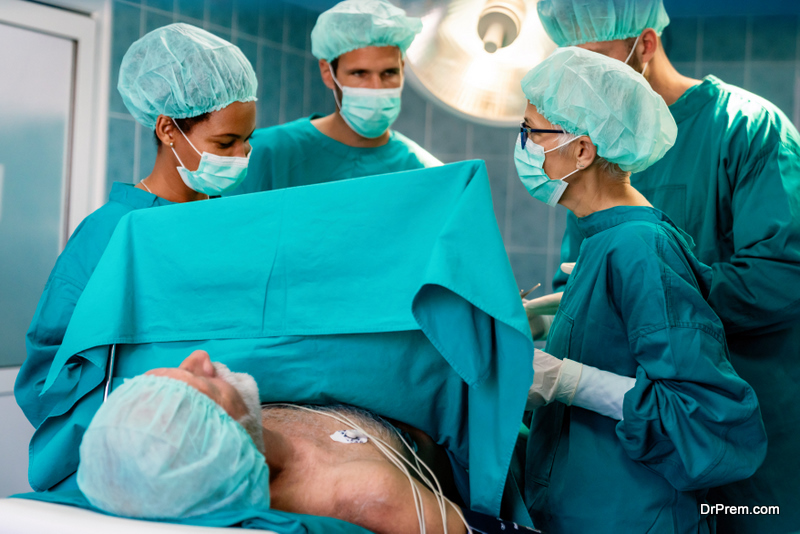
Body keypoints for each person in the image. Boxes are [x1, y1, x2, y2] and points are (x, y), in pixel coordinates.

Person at [535, 1, 800, 531]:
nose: (579, 89)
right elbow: (590, 266)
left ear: (645, 46)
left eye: (595, 66)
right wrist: (571, 305)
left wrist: (662, 291)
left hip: (736, 428)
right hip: (637, 448)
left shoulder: (748, 128)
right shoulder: (596, 159)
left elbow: (782, 276)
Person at [15, 23, 258, 489]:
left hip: (227, 450)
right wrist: (139, 424)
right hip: (136, 456)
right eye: (226, 144)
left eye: (247, 140)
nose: (242, 156)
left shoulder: (233, 225)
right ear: (168, 128)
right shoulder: (113, 232)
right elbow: (48, 368)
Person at [77, 350, 537, 534]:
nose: (199, 357)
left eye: (176, 373)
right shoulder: (360, 491)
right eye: (207, 387)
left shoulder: (230, 436)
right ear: (233, 445)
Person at [232, 0, 441, 195]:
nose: (376, 87)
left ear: (402, 69)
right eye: (359, 73)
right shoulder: (265, 154)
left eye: (389, 73)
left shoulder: (427, 171)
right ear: (327, 72)